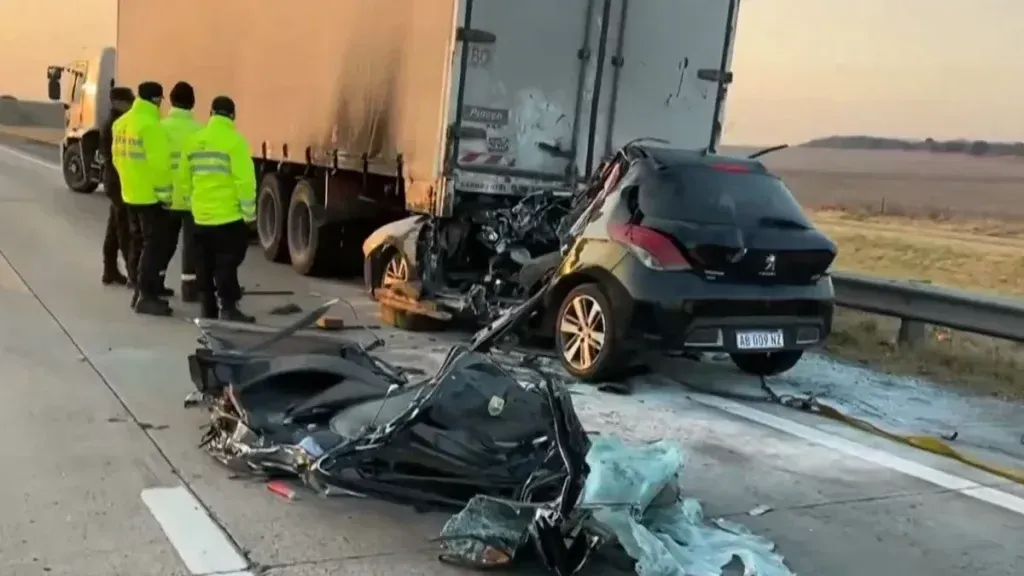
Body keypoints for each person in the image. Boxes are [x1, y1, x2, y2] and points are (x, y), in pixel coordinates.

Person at [178, 95, 256, 322]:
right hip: (227, 217)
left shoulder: (193, 140)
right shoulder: (235, 141)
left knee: (204, 264)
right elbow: (245, 182)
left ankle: (207, 309)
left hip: (201, 217)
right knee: (226, 264)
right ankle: (229, 308)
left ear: (211, 113)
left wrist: (190, 204)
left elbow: (184, 179)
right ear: (232, 116)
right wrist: (249, 214)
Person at [112, 80, 174, 316]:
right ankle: (146, 296)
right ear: (157, 99)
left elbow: (117, 159)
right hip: (150, 197)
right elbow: (160, 166)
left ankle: (138, 290)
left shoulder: (121, 123)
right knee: (154, 246)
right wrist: (166, 196)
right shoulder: (151, 126)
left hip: (130, 193)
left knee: (137, 242)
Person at [159, 81, 203, 302]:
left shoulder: (161, 127)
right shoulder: (200, 131)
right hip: (192, 198)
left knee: (163, 243)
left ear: (171, 100)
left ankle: (157, 282)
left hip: (166, 197)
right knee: (191, 245)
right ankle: (190, 288)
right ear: (193, 103)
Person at [99, 86, 135, 286]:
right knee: (124, 229)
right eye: (129, 102)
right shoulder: (115, 124)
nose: (131, 105)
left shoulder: (113, 122)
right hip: (117, 181)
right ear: (118, 103)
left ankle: (110, 270)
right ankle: (132, 274)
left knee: (114, 228)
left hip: (114, 181)